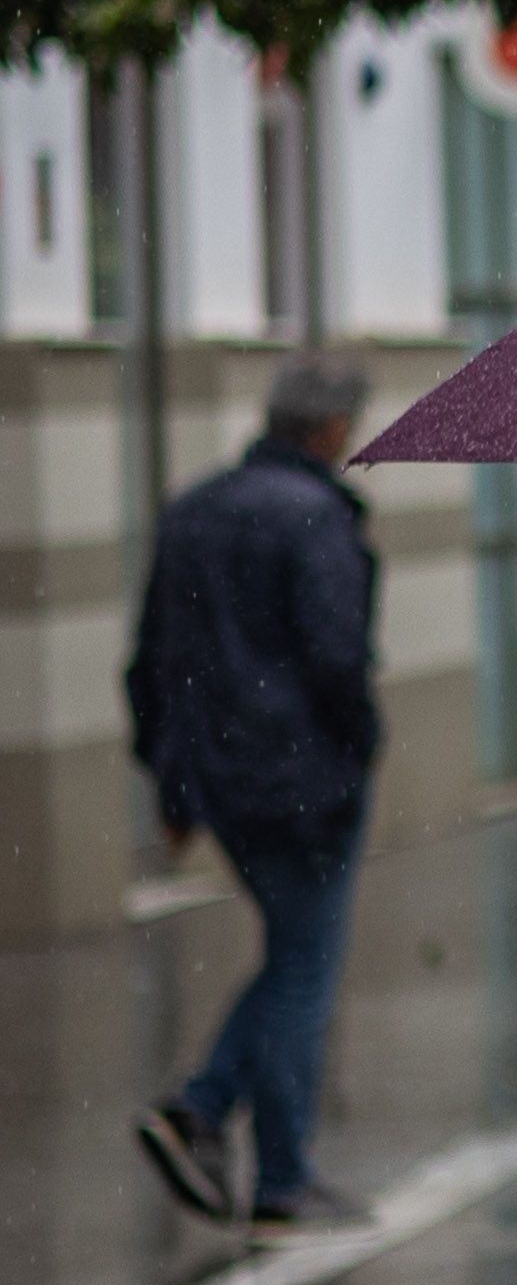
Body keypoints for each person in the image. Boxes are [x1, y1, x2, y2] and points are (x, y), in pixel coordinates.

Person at [131, 355, 383, 1240]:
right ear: (331, 431)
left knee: (290, 959)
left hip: (221, 782)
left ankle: (201, 1115)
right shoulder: (316, 520)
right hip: (302, 783)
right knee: (304, 970)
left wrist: (168, 782)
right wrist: (359, 751)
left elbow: (150, 659)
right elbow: (336, 661)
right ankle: (275, 1173)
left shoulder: (194, 510)